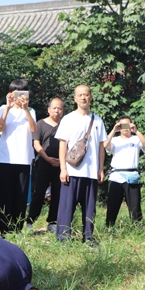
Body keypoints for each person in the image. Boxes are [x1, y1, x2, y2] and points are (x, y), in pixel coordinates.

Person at [55, 85, 107, 245]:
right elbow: (62, 145)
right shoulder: (68, 119)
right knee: (66, 206)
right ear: (75, 98)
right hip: (72, 171)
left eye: (86, 95)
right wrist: (63, 169)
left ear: (90, 97)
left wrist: (100, 168)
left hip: (91, 172)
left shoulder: (98, 120)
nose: (83, 98)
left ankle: (88, 237)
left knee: (90, 208)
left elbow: (101, 147)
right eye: (80, 95)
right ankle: (63, 237)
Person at [0, 80, 37, 235]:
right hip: (5, 158)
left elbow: (33, 130)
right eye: (15, 93)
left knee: (20, 195)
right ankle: (5, 230)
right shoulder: (3, 108)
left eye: (22, 93)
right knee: (5, 195)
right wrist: (7, 107)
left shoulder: (31, 111)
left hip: (24, 158)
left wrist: (25, 109)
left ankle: (17, 228)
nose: (18, 96)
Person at [104, 115, 145, 227]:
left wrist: (136, 131)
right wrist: (114, 130)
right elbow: (105, 145)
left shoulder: (136, 139)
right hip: (116, 176)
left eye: (127, 125)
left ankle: (137, 228)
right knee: (112, 206)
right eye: (122, 125)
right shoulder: (114, 140)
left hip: (132, 175)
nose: (125, 128)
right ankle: (109, 227)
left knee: (135, 206)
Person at [27, 98, 64, 232]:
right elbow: (36, 144)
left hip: (61, 165)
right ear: (48, 110)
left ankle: (52, 222)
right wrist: (48, 159)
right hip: (44, 162)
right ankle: (30, 221)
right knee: (39, 192)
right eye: (54, 108)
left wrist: (62, 160)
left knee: (57, 193)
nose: (56, 110)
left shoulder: (65, 125)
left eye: (59, 108)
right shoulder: (41, 124)